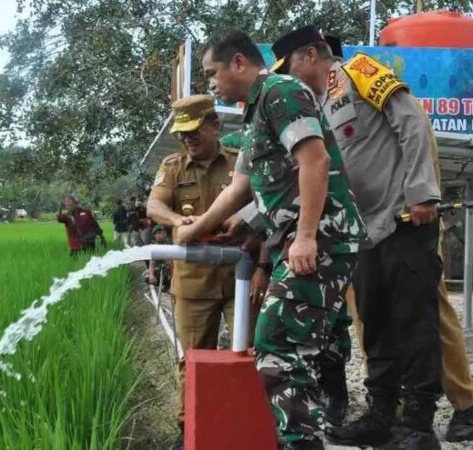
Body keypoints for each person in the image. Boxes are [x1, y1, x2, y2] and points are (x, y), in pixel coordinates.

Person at [270, 26, 473, 446]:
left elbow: (412, 122)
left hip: (403, 219)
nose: (287, 76)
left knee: (418, 320)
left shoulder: (358, 70)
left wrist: (422, 193)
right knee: (376, 323)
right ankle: (383, 413)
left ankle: (421, 420)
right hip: (362, 231)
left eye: (289, 65)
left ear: (311, 55)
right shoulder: (317, 103)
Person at [176, 29, 365, 450]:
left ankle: (301, 441)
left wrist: (306, 237)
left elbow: (314, 161)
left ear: (239, 63)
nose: (211, 86)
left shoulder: (281, 92)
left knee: (276, 342)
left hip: (323, 239)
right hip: (298, 240)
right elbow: (240, 185)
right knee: (294, 349)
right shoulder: (255, 110)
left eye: (212, 75)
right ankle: (301, 435)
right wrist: (203, 225)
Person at [145, 94, 241, 450]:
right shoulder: (173, 167)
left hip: (240, 279)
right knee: (193, 358)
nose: (188, 139)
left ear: (214, 125)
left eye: (195, 131)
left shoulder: (237, 162)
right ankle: (189, 431)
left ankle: (244, 424)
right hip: (193, 281)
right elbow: (154, 204)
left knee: (248, 354)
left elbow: (259, 201)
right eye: (182, 134)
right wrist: (176, 220)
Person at [147, 224, 172, 292]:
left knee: (166, 267)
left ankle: (169, 286)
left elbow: (170, 263)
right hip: (165, 271)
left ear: (165, 234)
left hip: (172, 271)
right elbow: (152, 263)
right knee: (146, 275)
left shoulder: (169, 244)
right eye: (156, 234)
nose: (158, 235)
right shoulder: (156, 246)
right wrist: (151, 275)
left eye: (160, 233)